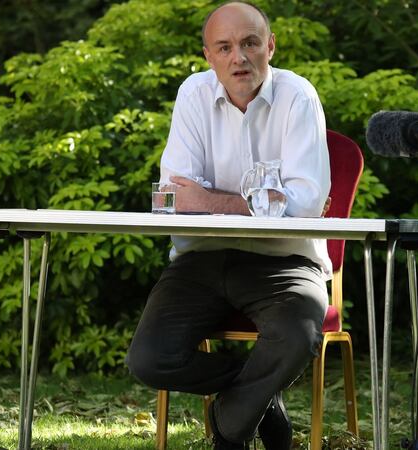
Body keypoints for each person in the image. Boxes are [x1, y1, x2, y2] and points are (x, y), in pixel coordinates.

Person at [126, 2, 331, 449]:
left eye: (249, 43)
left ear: (270, 47)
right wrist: (255, 202)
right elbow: (170, 196)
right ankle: (260, 397)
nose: (238, 57)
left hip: (285, 262)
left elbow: (307, 203)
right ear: (208, 55)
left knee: (297, 336)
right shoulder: (193, 95)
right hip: (202, 258)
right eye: (225, 47)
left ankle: (230, 424)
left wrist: (211, 201)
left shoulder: (299, 97)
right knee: (148, 359)